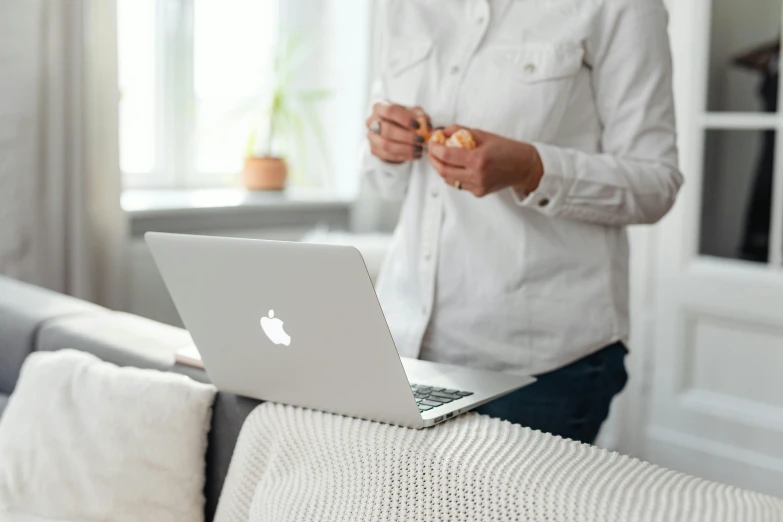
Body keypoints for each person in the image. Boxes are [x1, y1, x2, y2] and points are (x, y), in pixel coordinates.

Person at [362, 0, 682, 444]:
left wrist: (532, 169)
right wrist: (383, 143)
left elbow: (656, 183)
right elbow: (385, 182)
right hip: (400, 345)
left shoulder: (621, 7)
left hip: (541, 367)